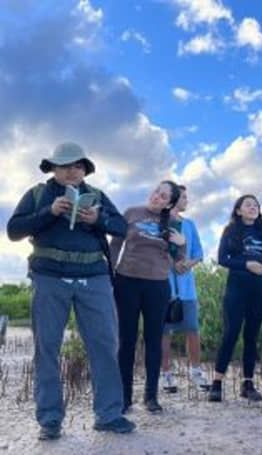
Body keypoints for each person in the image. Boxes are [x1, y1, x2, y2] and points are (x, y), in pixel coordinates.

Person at [7, 142, 135, 440]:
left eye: (78, 165)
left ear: (84, 170)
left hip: (94, 277)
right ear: (53, 168)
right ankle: (50, 420)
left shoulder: (99, 196)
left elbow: (123, 228)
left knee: (104, 346)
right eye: (65, 165)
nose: (72, 170)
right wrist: (49, 212)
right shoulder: (37, 194)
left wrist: (98, 219)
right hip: (48, 277)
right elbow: (14, 230)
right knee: (47, 348)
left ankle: (109, 415)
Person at [110, 180, 186, 414]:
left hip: (157, 286)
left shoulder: (173, 223)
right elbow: (115, 246)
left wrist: (182, 245)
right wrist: (109, 274)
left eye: (164, 197)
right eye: (156, 192)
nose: (157, 197)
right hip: (127, 281)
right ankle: (124, 397)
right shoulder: (131, 213)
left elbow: (180, 264)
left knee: (154, 341)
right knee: (127, 341)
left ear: (170, 203)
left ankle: (151, 397)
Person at [207, 194, 262, 402]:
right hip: (236, 287)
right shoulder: (231, 231)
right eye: (248, 204)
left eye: (256, 205)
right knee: (231, 333)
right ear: (239, 210)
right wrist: (245, 265)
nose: (253, 207)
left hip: (259, 288)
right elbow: (222, 259)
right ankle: (216, 384)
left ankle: (248, 385)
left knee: (252, 335)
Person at [161, 185, 208, 393]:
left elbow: (199, 252)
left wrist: (188, 263)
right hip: (163, 285)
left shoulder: (189, 224)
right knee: (164, 331)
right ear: (174, 199)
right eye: (184, 197)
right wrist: (172, 263)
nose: (187, 201)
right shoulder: (159, 222)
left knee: (192, 329)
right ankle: (166, 374)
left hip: (187, 288)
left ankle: (196, 372)